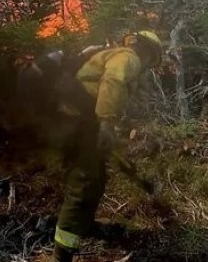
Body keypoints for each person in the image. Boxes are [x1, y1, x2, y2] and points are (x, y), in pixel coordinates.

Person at [50, 30, 164, 262]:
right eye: (152, 60)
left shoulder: (115, 53)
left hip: (79, 120)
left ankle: (85, 225)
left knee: (98, 176)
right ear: (149, 54)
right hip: (76, 121)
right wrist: (106, 124)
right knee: (83, 183)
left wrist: (107, 126)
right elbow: (112, 81)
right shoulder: (129, 57)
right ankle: (62, 254)